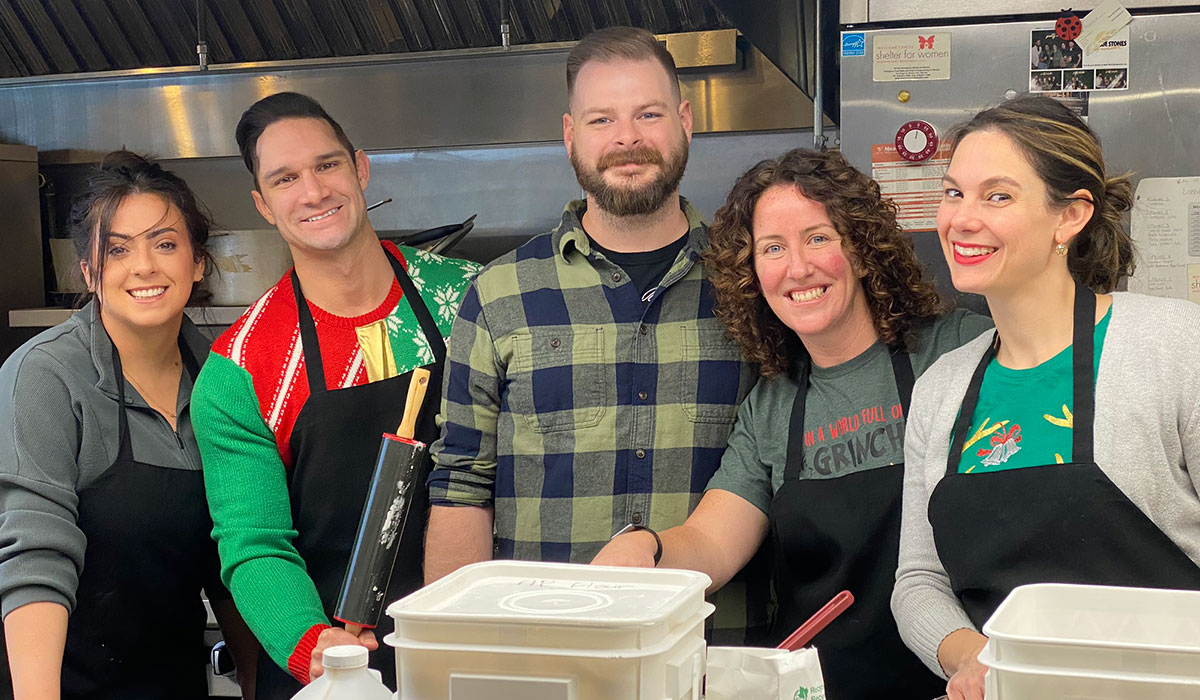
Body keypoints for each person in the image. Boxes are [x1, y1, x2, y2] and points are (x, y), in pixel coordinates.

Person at [592, 148, 992, 699]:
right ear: (752, 273)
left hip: (967, 681)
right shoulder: (772, 407)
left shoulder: (957, 349)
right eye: (773, 248)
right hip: (823, 688)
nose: (798, 267)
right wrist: (648, 550)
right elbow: (710, 541)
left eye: (819, 237)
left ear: (861, 246)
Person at [425, 26, 765, 643]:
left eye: (649, 114)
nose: (627, 138)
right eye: (602, 118)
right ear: (570, 134)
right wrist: (458, 648)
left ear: (686, 121)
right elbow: (461, 485)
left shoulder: (755, 284)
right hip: (546, 649)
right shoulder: (500, 297)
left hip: (718, 648)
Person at [893, 95, 1200, 700]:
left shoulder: (1174, 347)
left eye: (997, 196)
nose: (962, 219)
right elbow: (919, 580)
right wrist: (974, 661)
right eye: (954, 193)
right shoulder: (940, 390)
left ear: (1071, 216)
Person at [191, 92, 480, 699]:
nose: (314, 191)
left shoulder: (472, 302)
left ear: (361, 168)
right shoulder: (242, 367)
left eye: (327, 165)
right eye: (286, 178)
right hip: (335, 669)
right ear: (263, 205)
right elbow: (255, 543)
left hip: (477, 647)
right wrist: (312, 645)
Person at [0, 152, 256, 699]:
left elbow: (237, 557)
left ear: (198, 262)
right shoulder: (46, 376)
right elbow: (35, 554)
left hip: (172, 684)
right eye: (117, 249)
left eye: (165, 244)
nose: (144, 266)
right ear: (90, 271)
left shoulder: (222, 380)